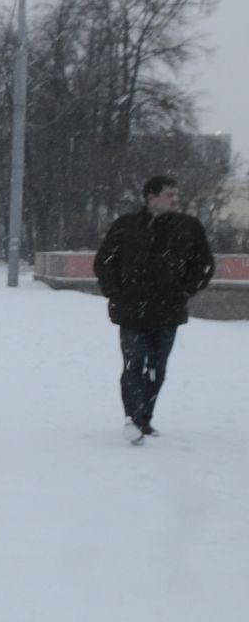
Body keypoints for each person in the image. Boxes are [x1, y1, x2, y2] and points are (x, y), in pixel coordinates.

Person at [92, 175, 216, 439]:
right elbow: (104, 262)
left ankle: (145, 418)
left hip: (168, 311)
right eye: (169, 194)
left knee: (157, 368)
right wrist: (115, 293)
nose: (175, 200)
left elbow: (204, 265)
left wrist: (184, 291)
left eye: (176, 195)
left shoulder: (189, 227)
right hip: (130, 310)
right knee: (134, 364)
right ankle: (132, 418)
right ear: (151, 196)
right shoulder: (126, 226)